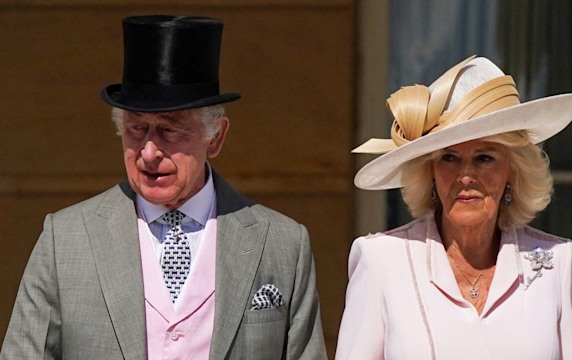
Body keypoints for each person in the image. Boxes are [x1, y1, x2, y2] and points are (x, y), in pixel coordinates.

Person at [1, 15, 327, 360]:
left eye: (170, 131)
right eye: (136, 129)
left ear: (215, 138)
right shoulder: (65, 239)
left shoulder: (283, 244)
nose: (149, 152)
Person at [335, 55, 572, 359]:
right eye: (449, 158)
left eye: (484, 158)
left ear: (512, 171)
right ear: (429, 172)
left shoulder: (554, 261)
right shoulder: (381, 260)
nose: (466, 176)